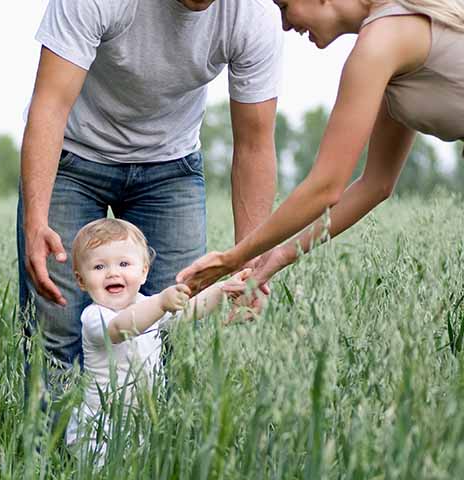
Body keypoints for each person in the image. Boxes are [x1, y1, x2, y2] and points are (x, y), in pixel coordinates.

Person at [177, 0, 464, 421]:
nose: (285, 24)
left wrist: (234, 258)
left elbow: (325, 186)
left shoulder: (381, 40)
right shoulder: (389, 46)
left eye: (283, 6)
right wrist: (270, 263)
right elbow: (374, 185)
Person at [18, 0, 283, 396]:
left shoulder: (252, 16)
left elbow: (255, 145)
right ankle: (52, 456)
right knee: (57, 335)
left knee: (175, 335)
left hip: (170, 169)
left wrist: (250, 262)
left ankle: (154, 454)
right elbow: (50, 105)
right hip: (74, 157)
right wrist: (36, 219)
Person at [65, 218, 246, 460]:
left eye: (124, 263)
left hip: (141, 420)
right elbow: (122, 328)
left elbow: (189, 311)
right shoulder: (95, 317)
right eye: (99, 267)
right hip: (100, 424)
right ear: (81, 280)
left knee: (138, 475)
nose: (112, 273)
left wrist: (223, 290)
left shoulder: (145, 305)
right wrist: (161, 303)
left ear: (143, 272)